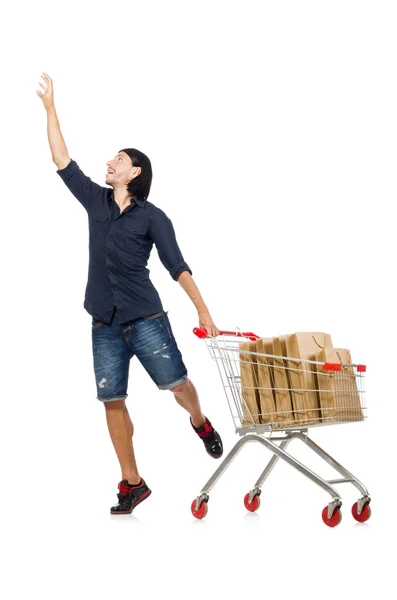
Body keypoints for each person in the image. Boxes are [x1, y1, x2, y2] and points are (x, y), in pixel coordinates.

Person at [37, 72, 223, 515]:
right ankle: (132, 483)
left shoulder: (153, 217)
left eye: (118, 159)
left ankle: (199, 422)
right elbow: (63, 160)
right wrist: (50, 110)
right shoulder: (95, 201)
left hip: (146, 319)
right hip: (103, 321)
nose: (110, 162)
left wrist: (204, 312)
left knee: (177, 385)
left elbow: (178, 266)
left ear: (134, 172)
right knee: (111, 399)